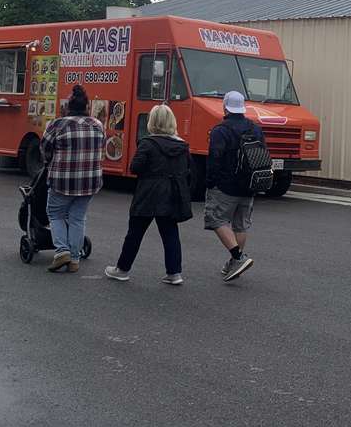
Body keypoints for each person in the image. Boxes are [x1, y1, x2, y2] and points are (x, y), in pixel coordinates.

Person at [105, 104, 193, 285]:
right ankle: (174, 273)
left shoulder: (148, 143)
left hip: (148, 192)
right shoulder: (182, 146)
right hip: (172, 193)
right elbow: (189, 171)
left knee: (135, 233)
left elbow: (135, 167)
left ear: (152, 122)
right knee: (170, 234)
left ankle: (122, 269)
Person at [41, 84, 105, 274]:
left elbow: (44, 149)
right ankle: (75, 259)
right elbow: (101, 148)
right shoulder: (97, 125)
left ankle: (62, 251)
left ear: (68, 106)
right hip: (90, 181)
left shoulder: (57, 124)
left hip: (62, 180)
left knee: (55, 214)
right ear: (87, 106)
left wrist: (49, 161)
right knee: (78, 218)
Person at [205, 91, 264, 282]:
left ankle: (238, 258)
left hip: (226, 186)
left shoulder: (220, 131)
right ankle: (233, 263)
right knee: (240, 225)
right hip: (250, 185)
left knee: (215, 218)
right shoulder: (255, 129)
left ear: (225, 107)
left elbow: (215, 159)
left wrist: (210, 182)